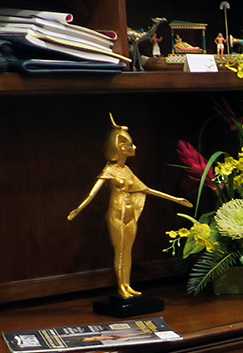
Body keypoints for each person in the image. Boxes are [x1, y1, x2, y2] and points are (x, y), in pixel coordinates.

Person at [68, 116, 191, 299]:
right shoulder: (109, 171)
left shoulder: (127, 171)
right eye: (130, 144)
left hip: (130, 213)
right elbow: (92, 194)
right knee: (119, 251)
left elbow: (146, 189)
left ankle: (127, 284)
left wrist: (175, 199)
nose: (134, 148)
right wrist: (79, 208)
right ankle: (121, 288)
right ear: (119, 147)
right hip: (116, 213)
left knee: (128, 252)